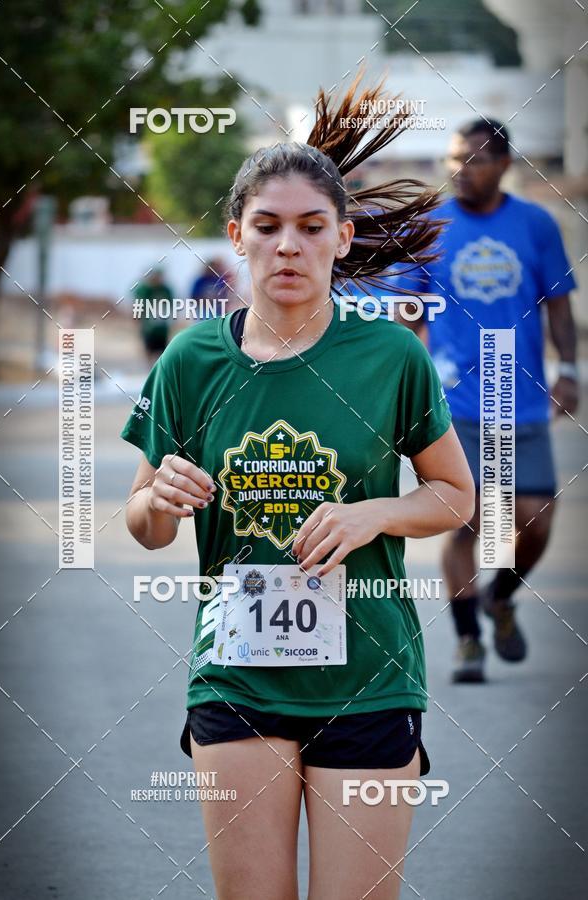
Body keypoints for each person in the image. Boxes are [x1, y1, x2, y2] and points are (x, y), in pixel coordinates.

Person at [121, 75, 475, 900]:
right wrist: (158, 498)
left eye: (312, 228)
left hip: (371, 674)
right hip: (235, 678)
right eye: (269, 227)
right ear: (237, 235)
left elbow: (454, 495)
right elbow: (143, 526)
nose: (289, 246)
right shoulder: (192, 361)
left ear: (343, 238)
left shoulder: (391, 358)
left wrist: (373, 513)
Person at [390, 118, 579, 683]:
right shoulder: (428, 226)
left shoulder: (536, 225)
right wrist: (404, 382)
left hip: (520, 395)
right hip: (455, 400)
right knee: (467, 521)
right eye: (452, 158)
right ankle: (468, 639)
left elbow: (560, 304)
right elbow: (407, 312)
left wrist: (567, 367)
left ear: (502, 165)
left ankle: (501, 597)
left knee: (534, 519)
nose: (458, 171)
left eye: (472, 159)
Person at [133, 265, 173, 365]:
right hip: (148, 325)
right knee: (149, 348)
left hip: (162, 325)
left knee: (162, 349)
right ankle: (150, 368)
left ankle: (160, 368)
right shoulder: (144, 289)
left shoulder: (165, 289)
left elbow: (172, 305)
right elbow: (138, 304)